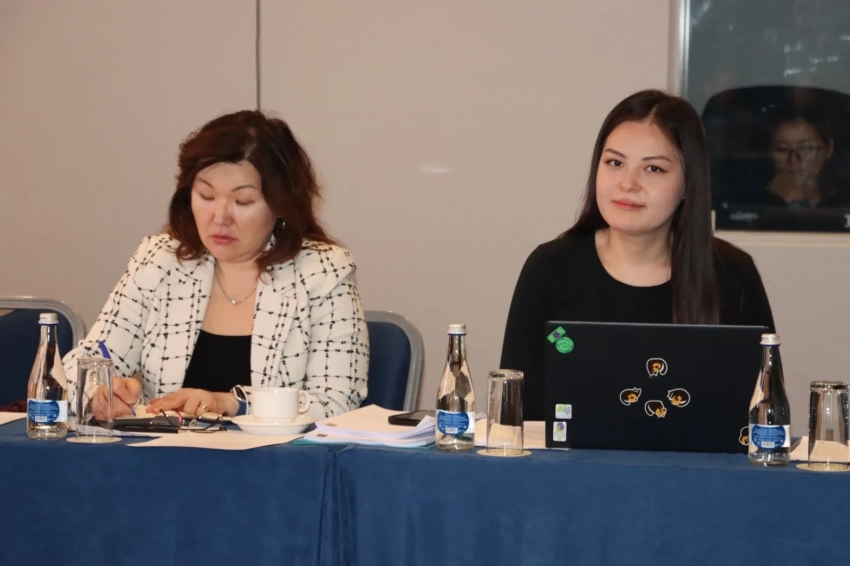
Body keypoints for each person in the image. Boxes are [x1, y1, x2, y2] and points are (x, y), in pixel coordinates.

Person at [63, 110, 370, 420]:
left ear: (280, 204)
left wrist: (231, 403)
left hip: (274, 452)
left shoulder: (321, 272)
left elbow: (336, 404)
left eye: (243, 202)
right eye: (206, 196)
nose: (220, 218)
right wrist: (98, 392)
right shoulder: (160, 261)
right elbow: (81, 364)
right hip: (167, 451)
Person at [500, 89, 776, 421]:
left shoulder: (732, 273)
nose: (628, 184)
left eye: (654, 169)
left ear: (689, 184)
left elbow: (765, 411)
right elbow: (514, 415)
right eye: (615, 163)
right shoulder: (550, 268)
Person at [762, 106, 846, 208]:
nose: (793, 160)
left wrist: (797, 203)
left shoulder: (843, 201)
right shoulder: (753, 202)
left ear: (829, 149)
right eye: (782, 149)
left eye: (806, 148)